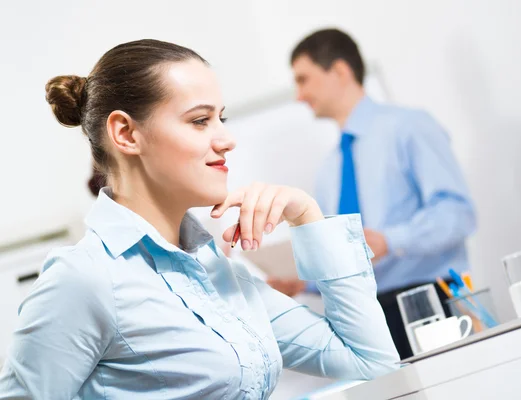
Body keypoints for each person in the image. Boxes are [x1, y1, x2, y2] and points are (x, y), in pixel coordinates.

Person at [0, 39, 399, 399]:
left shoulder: (218, 271)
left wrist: (307, 217)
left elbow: (370, 362)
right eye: (199, 120)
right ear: (126, 134)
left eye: (220, 118)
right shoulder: (83, 279)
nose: (226, 139)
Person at [268, 29, 477, 360]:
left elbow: (457, 214)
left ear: (339, 71)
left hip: (432, 299)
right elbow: (349, 253)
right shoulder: (330, 168)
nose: (299, 95)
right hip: (372, 316)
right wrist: (304, 285)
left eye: (303, 79)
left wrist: (388, 240)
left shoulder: (409, 127)